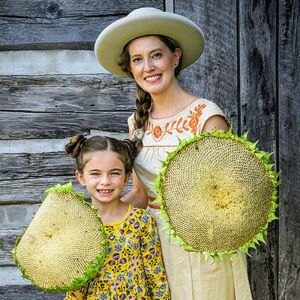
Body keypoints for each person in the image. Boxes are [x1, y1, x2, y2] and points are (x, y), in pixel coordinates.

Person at [94, 7, 252, 300]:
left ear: (174, 57)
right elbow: (141, 195)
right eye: (137, 60)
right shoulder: (136, 122)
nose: (148, 67)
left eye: (156, 55)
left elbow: (233, 199)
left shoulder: (206, 117)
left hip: (202, 245)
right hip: (153, 246)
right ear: (130, 68)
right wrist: (99, 220)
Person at [64, 134, 170, 299]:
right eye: (95, 174)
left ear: (127, 177)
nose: (105, 181)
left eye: (114, 173)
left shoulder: (141, 222)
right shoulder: (79, 226)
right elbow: (76, 286)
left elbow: (157, 279)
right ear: (81, 177)